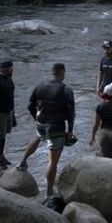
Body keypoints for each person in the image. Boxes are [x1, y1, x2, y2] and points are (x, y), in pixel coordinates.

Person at [26, 63, 75, 196]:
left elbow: (30, 105)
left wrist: (36, 119)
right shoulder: (66, 89)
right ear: (62, 72)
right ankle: (49, 192)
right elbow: (71, 112)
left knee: (37, 138)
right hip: (56, 128)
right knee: (53, 162)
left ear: (52, 72)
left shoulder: (40, 85)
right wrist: (70, 130)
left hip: (41, 125)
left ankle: (22, 162)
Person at [90, 92, 112, 160]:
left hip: (103, 134)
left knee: (105, 159)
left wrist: (93, 136)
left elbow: (96, 124)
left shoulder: (100, 106)